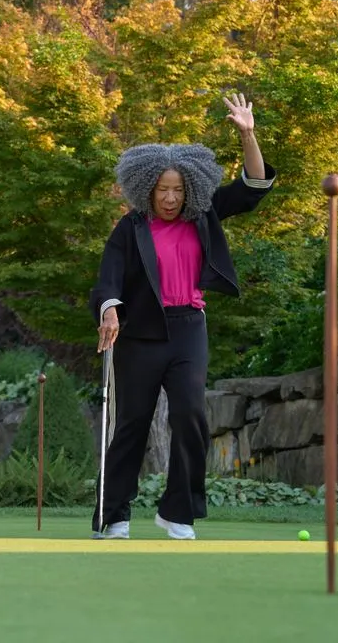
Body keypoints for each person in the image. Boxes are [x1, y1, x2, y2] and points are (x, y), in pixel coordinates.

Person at [89, 94, 276, 540]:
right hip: (141, 334)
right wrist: (110, 308)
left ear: (190, 187)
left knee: (191, 414)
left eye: (178, 189)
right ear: (146, 188)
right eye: (162, 190)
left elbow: (253, 188)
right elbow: (107, 278)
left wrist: (248, 134)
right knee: (132, 422)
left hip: (189, 328)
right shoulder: (130, 228)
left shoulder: (203, 215)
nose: (171, 198)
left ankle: (178, 512)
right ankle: (113, 513)